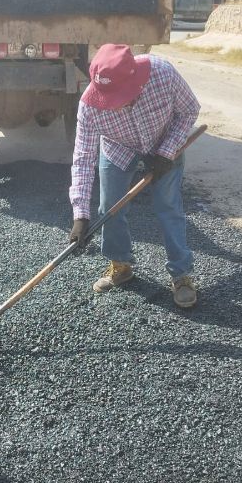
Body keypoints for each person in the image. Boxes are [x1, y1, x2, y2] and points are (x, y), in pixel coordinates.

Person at [67, 43, 201, 308]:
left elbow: (189, 110)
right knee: (110, 207)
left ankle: (181, 275)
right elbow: (82, 157)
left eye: (120, 97)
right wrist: (80, 215)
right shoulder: (89, 105)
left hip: (165, 144)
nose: (114, 106)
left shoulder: (163, 74)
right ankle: (121, 265)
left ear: (137, 81)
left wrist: (166, 152)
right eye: (109, 99)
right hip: (118, 147)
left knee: (168, 206)